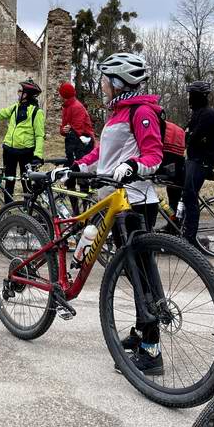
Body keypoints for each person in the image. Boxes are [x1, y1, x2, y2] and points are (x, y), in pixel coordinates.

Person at [74, 52, 165, 376]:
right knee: (134, 271)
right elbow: (103, 153)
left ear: (117, 82)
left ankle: (151, 350)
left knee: (140, 273)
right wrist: (77, 166)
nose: (101, 85)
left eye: (104, 80)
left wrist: (132, 167)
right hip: (116, 201)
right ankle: (143, 333)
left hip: (136, 202)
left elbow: (154, 155)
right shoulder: (117, 114)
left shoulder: (141, 112)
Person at [0, 78, 45, 203]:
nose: (18, 93)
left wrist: (38, 155)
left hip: (26, 152)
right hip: (9, 151)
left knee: (27, 184)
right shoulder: (15, 107)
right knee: (9, 182)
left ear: (27, 94)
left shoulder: (37, 112)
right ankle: (7, 210)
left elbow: (40, 135)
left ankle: (29, 210)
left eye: (20, 91)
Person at [181, 81, 214, 242]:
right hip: (193, 158)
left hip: (203, 161)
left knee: (189, 195)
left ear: (199, 96)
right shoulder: (197, 113)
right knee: (177, 189)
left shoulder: (207, 115)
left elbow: (193, 137)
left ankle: (189, 239)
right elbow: (185, 134)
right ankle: (176, 225)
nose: (189, 98)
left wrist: (189, 136)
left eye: (191, 95)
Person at [58, 82, 95, 213]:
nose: (59, 96)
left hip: (83, 146)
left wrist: (69, 129)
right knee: (70, 179)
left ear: (64, 95)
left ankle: (85, 212)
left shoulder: (77, 107)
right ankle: (76, 212)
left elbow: (78, 130)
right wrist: (65, 129)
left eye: (60, 94)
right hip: (71, 145)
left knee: (82, 178)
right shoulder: (66, 107)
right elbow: (63, 130)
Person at [160, 119, 186, 222]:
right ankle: (173, 223)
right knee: (173, 200)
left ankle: (175, 224)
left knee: (173, 200)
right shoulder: (174, 129)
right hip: (177, 163)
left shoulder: (162, 129)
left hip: (171, 163)